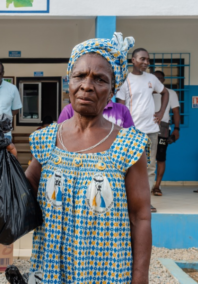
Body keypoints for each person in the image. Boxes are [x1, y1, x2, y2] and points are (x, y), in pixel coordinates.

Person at [25, 33, 152, 283]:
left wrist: (140, 277)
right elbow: (22, 193)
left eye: (100, 79)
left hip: (108, 270)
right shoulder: (46, 141)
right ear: (68, 82)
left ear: (112, 89)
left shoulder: (129, 145)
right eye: (79, 76)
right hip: (51, 268)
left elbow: (141, 217)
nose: (87, 85)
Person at [116, 47, 169, 213]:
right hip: (132, 132)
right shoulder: (126, 81)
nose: (146, 62)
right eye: (142, 59)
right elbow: (121, 106)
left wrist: (161, 112)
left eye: (147, 60)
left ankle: (146, 202)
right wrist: (123, 129)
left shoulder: (152, 79)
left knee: (150, 167)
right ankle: (128, 201)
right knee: (128, 166)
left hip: (152, 131)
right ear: (133, 60)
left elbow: (165, 92)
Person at [152, 70, 181, 196]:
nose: (157, 80)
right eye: (155, 78)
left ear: (163, 80)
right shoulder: (146, 92)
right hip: (145, 127)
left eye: (160, 78)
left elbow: (175, 112)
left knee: (161, 158)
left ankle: (157, 186)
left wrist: (176, 128)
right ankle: (143, 187)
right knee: (145, 159)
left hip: (162, 128)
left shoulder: (171, 93)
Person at [58, 96, 134, 128]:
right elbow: (60, 140)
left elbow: (131, 140)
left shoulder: (122, 110)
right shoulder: (69, 110)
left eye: (101, 80)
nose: (88, 86)